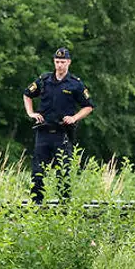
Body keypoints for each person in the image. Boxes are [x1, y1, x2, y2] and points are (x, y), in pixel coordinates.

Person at [23, 46, 94, 204]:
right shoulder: (44, 80)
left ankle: (63, 206)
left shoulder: (75, 84)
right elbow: (27, 94)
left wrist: (75, 117)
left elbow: (88, 106)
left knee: (63, 172)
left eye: (62, 62)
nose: (59, 65)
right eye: (57, 61)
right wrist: (31, 113)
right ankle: (37, 204)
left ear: (68, 62)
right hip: (43, 132)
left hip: (63, 133)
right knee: (38, 172)